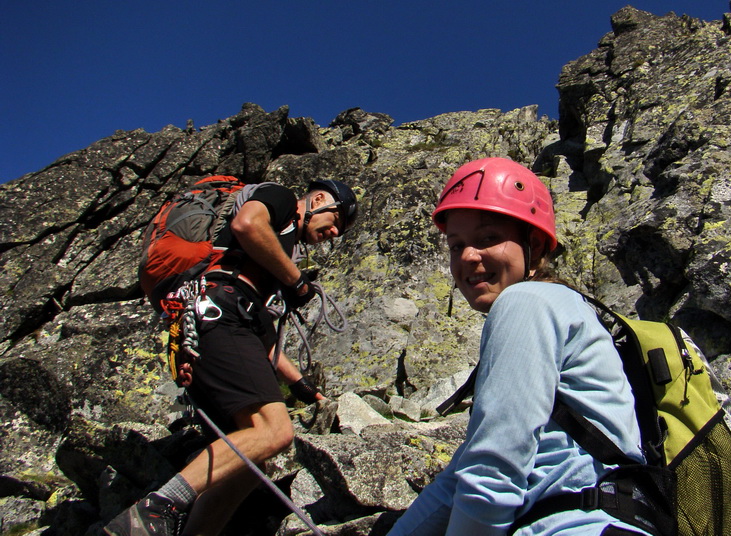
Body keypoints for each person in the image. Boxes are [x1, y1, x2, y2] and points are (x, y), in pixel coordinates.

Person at [386, 158, 651, 536]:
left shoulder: (526, 303)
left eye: (488, 238)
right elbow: (457, 480)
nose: (467, 257)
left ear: (536, 244)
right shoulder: (554, 310)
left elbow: (491, 472)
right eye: (455, 245)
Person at [104, 179, 358, 536]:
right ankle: (154, 512)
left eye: (338, 231)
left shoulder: (273, 254)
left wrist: (301, 385)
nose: (333, 232)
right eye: (334, 221)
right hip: (219, 314)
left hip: (217, 324)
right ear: (317, 199)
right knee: (272, 431)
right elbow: (247, 223)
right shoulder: (281, 200)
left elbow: (262, 338)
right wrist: (296, 281)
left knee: (250, 466)